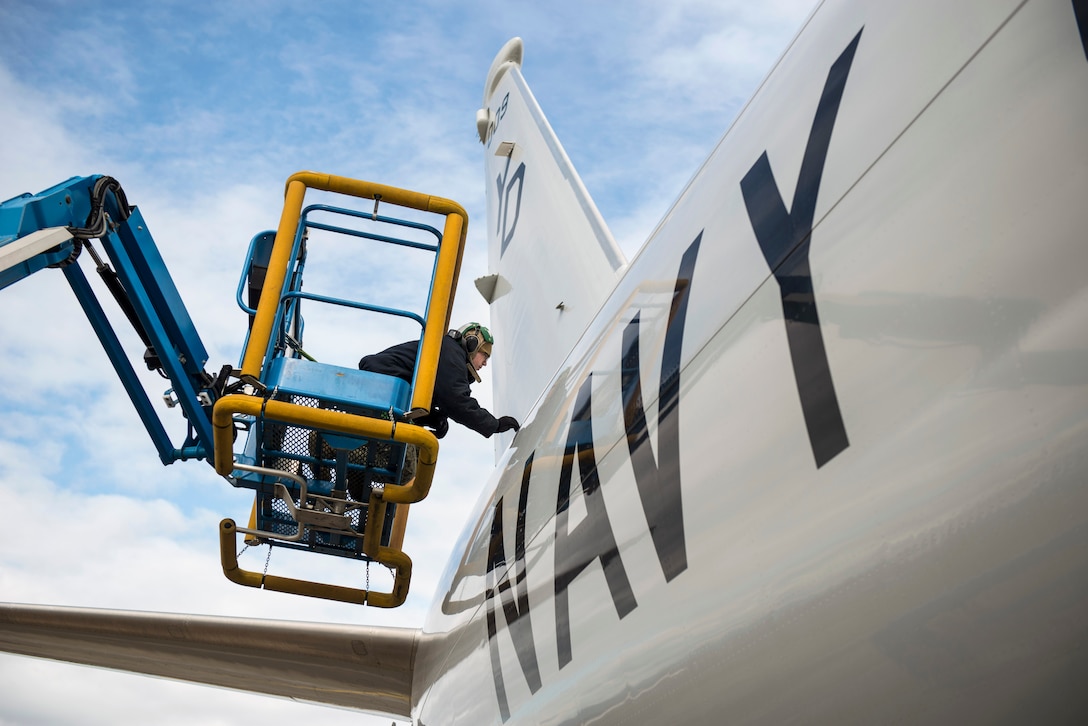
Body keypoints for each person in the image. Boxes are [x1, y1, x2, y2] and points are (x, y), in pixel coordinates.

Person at [359, 322, 520, 439]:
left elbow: (422, 399)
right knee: (404, 459)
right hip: (382, 391)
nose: (485, 363)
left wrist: (434, 418)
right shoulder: (451, 352)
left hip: (385, 393)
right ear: (472, 344)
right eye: (484, 354)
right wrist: (494, 425)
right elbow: (456, 401)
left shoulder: (446, 356)